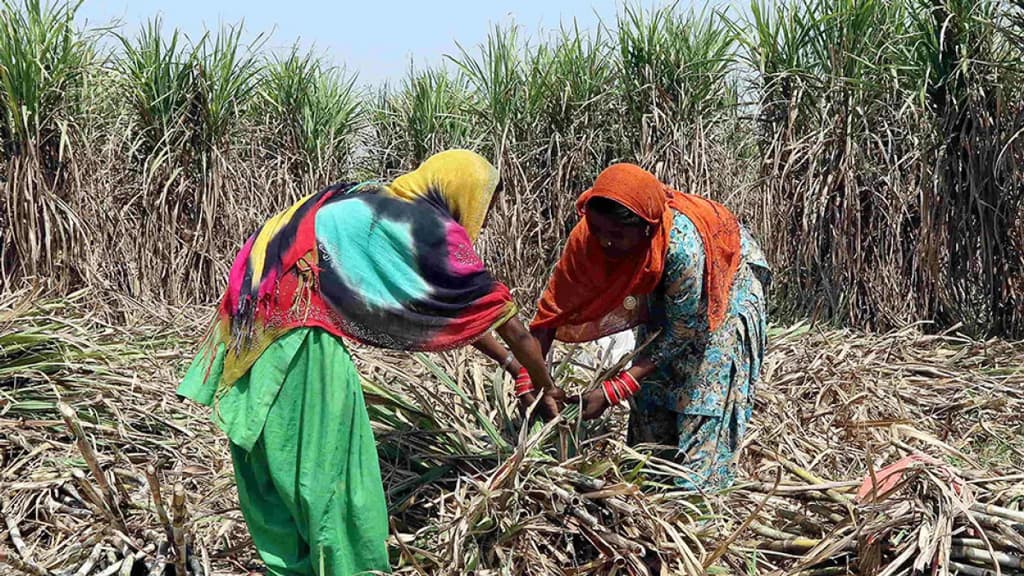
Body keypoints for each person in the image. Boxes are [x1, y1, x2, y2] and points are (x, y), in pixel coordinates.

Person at [176, 150, 562, 575]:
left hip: (250, 322)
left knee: (274, 461)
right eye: (484, 210)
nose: (481, 223)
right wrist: (544, 385)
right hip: (299, 331)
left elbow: (459, 312)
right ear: (465, 195)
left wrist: (510, 367)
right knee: (333, 472)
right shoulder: (427, 227)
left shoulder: (368, 199)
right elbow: (515, 327)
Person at [525, 163, 770, 490]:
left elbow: (684, 330)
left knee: (704, 395)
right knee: (652, 394)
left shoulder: (681, 248)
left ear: (646, 229)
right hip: (669, 287)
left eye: (616, 235)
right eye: (598, 230)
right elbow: (550, 313)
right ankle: (650, 491)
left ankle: (697, 506)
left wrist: (613, 391)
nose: (605, 243)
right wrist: (529, 381)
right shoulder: (589, 237)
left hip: (725, 284)